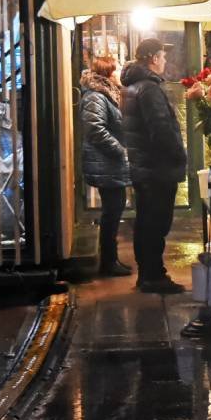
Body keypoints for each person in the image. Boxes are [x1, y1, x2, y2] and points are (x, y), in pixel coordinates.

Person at [122, 38, 187, 294]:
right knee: (156, 223)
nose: (165, 60)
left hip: (143, 167)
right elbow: (160, 130)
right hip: (156, 168)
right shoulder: (148, 89)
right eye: (162, 55)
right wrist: (179, 155)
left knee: (145, 221)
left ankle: (147, 273)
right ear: (152, 58)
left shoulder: (132, 87)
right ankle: (153, 276)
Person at [80, 55, 132, 276]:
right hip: (107, 162)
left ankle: (111, 260)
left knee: (114, 209)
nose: (120, 72)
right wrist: (120, 151)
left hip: (110, 163)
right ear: (108, 72)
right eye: (117, 68)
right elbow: (95, 129)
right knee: (112, 211)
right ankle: (108, 262)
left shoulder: (108, 94)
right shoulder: (97, 96)